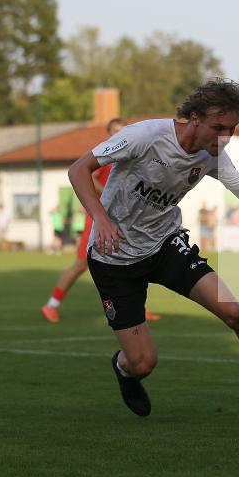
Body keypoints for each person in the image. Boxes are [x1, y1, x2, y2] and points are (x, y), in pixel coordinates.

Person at [67, 78, 239, 417]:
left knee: (234, 312)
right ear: (193, 118)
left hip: (165, 245)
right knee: (143, 363)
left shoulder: (214, 155)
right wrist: (101, 219)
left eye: (232, 128)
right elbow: (79, 169)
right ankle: (125, 369)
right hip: (114, 257)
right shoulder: (145, 136)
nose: (225, 137)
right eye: (218, 127)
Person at [42, 119, 161, 324]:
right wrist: (109, 193)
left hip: (124, 219)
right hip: (100, 216)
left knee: (134, 261)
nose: (119, 135)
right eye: (115, 132)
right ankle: (52, 304)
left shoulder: (133, 154)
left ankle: (138, 309)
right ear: (108, 134)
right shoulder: (106, 154)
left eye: (122, 131)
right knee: (81, 264)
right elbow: (89, 176)